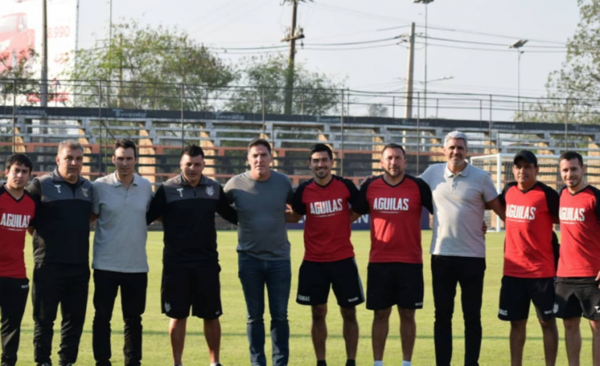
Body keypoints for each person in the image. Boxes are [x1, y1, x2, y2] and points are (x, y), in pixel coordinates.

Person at [146, 144, 237, 366]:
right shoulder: (166, 189)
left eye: (197, 164)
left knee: (211, 315)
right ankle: (178, 363)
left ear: (204, 164)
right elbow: (147, 216)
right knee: (177, 315)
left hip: (206, 263)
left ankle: (214, 363)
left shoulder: (214, 189)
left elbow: (235, 216)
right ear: (181, 164)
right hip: (176, 264)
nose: (193, 168)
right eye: (188, 164)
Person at [420, 131, 505, 366]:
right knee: (442, 316)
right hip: (441, 256)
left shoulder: (481, 177)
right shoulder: (431, 173)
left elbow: (502, 211)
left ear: (467, 151)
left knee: (472, 317)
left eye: (460, 147)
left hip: (472, 258)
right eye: (452, 147)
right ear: (444, 150)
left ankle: (471, 363)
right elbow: (410, 191)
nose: (456, 151)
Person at [352, 143, 433, 366]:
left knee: (408, 314)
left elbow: (443, 213)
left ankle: (406, 362)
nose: (393, 162)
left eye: (398, 158)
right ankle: (378, 362)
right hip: (380, 261)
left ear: (405, 162)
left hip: (410, 262)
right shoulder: (371, 186)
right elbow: (349, 216)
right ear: (381, 162)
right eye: (389, 158)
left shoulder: (418, 186)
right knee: (380, 314)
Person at [289, 143, 363, 366]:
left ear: (332, 162)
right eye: (316, 160)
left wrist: (343, 221)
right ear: (309, 164)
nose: (320, 164)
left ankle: (351, 361)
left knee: (349, 312)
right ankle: (321, 362)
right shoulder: (303, 190)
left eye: (324, 160)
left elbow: (359, 207)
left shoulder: (346, 186)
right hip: (314, 262)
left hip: (343, 260)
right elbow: (294, 216)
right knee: (317, 312)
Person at [224, 138, 294, 366]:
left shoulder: (283, 182)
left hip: (279, 261)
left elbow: (297, 211)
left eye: (264, 155)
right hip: (249, 260)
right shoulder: (234, 185)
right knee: (254, 317)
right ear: (248, 159)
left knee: (280, 316)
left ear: (271, 158)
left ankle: (280, 363)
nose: (259, 159)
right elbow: (221, 209)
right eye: (255, 155)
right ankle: (257, 363)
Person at [27, 140, 94, 366]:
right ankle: (43, 362)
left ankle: (67, 362)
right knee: (44, 321)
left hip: (79, 266)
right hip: (48, 265)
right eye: (68, 158)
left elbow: (90, 217)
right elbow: (28, 222)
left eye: (78, 159)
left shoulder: (88, 188)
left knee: (74, 322)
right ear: (58, 160)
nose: (73, 163)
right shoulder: (39, 185)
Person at [91, 139, 153, 366]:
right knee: (102, 318)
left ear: (136, 159)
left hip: (136, 266)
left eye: (129, 158)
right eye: (120, 158)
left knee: (134, 320)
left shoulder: (146, 186)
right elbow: (88, 218)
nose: (124, 163)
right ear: (113, 159)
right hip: (105, 264)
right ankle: (102, 362)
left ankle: (132, 362)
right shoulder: (99, 186)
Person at [497, 150, 559, 366]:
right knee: (516, 323)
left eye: (527, 167)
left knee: (547, 322)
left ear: (536, 170)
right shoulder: (508, 191)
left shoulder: (547, 194)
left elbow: (569, 223)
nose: (522, 171)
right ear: (513, 169)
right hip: (513, 272)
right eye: (518, 167)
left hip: (542, 272)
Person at [555, 151, 600, 366]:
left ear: (583, 169)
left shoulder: (595, 197)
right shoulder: (561, 195)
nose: (569, 174)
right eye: (565, 170)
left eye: (574, 169)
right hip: (564, 275)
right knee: (569, 326)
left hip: (593, 275)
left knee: (597, 327)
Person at [0, 154, 36, 366]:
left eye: (25, 172)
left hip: (16, 274)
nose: (20, 175)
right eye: (16, 170)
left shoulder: (31, 203)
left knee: (12, 325)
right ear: (7, 172)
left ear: (29, 176)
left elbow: (33, 230)